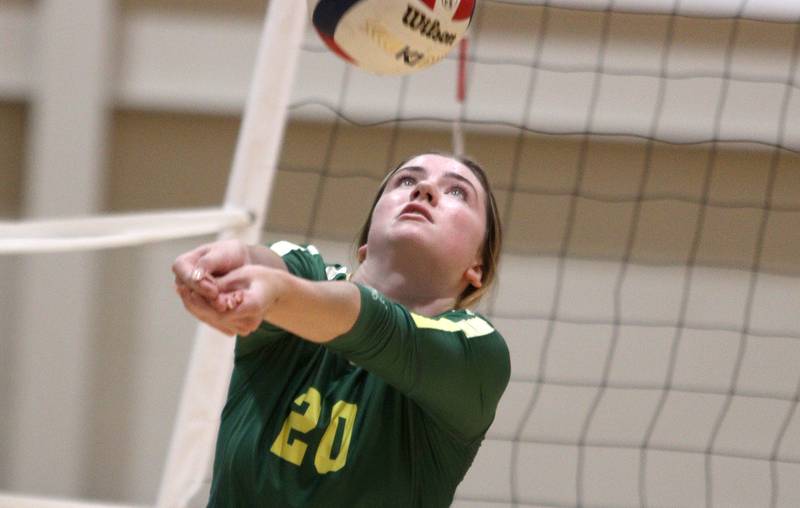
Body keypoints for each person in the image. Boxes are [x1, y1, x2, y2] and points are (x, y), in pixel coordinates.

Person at [172, 153, 510, 507]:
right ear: (365, 244)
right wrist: (230, 263)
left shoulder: (477, 352)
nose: (424, 189)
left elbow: (378, 326)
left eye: (458, 192)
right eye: (406, 181)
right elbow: (271, 266)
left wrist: (277, 293)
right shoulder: (307, 271)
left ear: (479, 267)